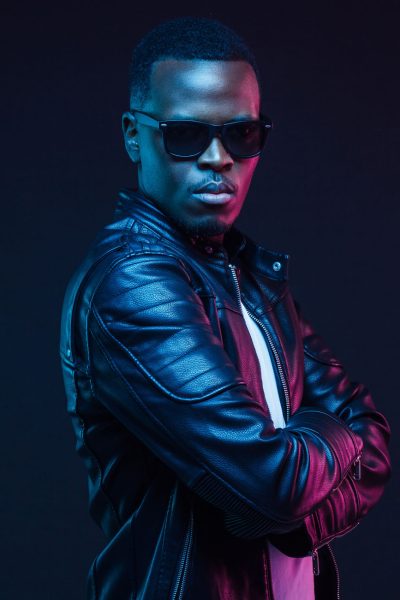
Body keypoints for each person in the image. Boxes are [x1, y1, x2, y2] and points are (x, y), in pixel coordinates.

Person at [60, 16, 391, 600]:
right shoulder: (133, 284)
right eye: (186, 134)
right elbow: (276, 482)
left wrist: (295, 517)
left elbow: (378, 446)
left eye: (242, 135)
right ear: (134, 137)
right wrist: (329, 442)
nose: (218, 158)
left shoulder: (251, 277)